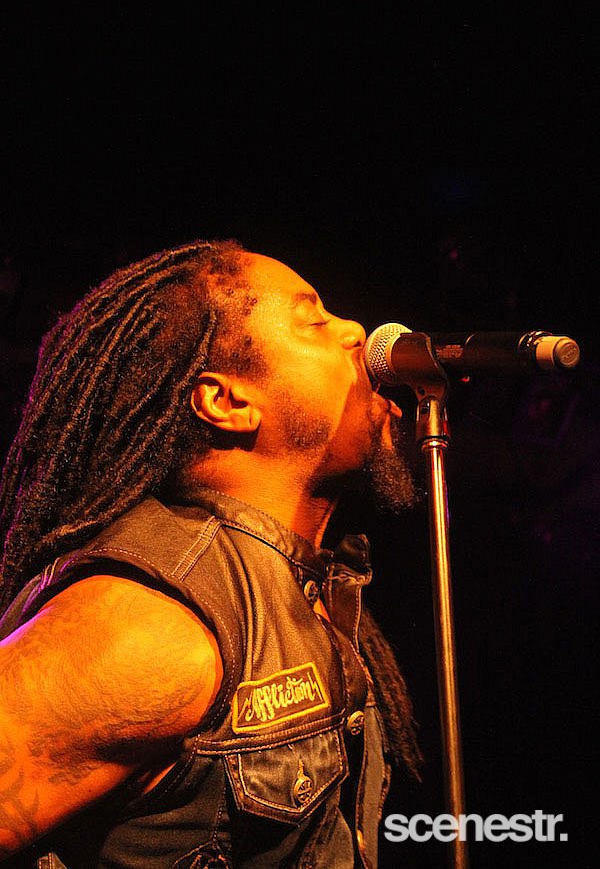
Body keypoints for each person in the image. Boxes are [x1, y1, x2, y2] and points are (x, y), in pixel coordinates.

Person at [0, 239, 421, 868]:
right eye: (313, 321)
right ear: (227, 402)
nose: (357, 332)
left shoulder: (302, 591)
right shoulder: (154, 622)